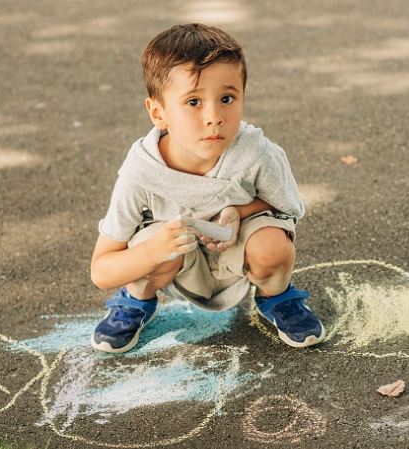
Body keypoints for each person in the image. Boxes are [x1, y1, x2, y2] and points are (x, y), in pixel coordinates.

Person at [90, 23, 325, 353]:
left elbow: (289, 206)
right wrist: (153, 251)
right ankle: (136, 300)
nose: (214, 116)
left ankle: (277, 296)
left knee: (273, 245)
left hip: (235, 245)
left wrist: (239, 211)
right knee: (149, 243)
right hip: (175, 260)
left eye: (227, 98)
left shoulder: (256, 152)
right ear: (158, 113)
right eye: (193, 102)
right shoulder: (141, 170)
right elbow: (101, 269)